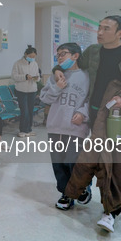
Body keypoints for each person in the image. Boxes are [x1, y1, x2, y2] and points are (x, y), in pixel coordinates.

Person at [55, 15, 121, 233]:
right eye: (99, 27)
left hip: (120, 118)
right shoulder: (93, 52)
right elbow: (72, 65)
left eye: (106, 28)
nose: (100, 32)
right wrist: (57, 70)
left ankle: (111, 209)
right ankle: (77, 194)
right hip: (95, 115)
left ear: (120, 33)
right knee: (90, 157)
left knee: (114, 162)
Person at [39, 43, 92, 210]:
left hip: (76, 127)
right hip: (55, 126)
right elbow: (45, 99)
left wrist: (83, 113)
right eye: (58, 54)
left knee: (75, 162)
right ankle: (66, 194)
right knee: (59, 164)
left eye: (64, 54)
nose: (60, 57)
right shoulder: (55, 76)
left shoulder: (87, 76)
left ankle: (83, 188)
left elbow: (93, 100)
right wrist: (57, 87)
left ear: (75, 56)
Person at [11, 45, 40, 137]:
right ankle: (22, 130)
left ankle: (29, 129)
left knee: (31, 110)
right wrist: (25, 77)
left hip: (32, 90)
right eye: (30, 56)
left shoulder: (35, 63)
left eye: (33, 57)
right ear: (25, 54)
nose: (32, 58)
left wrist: (36, 78)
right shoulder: (18, 63)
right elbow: (14, 76)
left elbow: (38, 76)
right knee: (24, 111)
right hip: (21, 90)